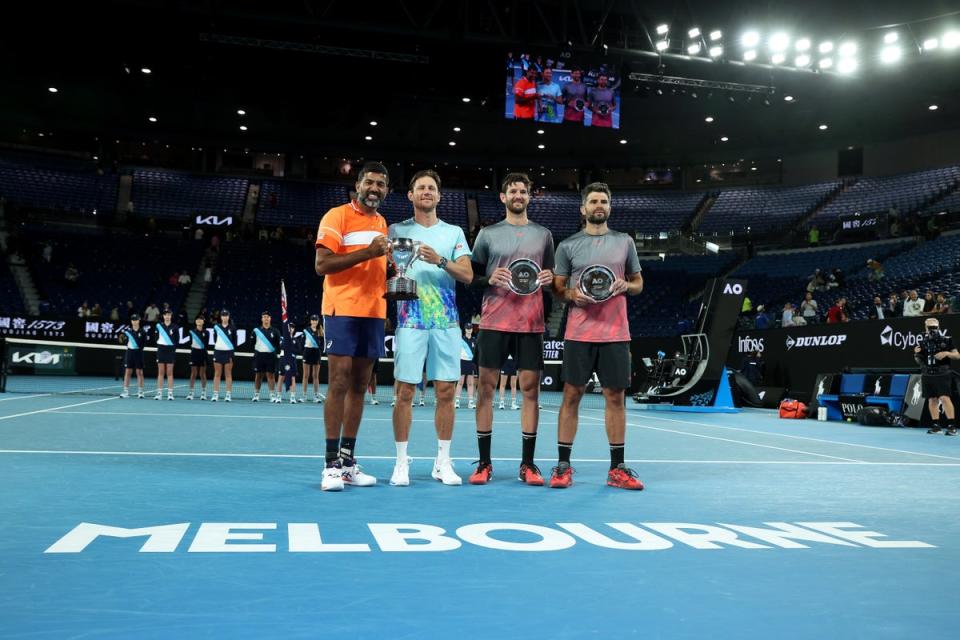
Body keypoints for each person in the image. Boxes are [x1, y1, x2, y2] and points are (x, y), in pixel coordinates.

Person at [549, 182, 644, 489]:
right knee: (571, 396)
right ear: (583, 208)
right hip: (579, 333)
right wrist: (571, 294)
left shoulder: (624, 242)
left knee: (615, 397)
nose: (598, 205)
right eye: (593, 201)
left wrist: (625, 286)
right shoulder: (568, 245)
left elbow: (638, 283)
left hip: (616, 333)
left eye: (604, 200)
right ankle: (563, 465)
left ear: (609, 207)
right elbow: (557, 288)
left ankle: (617, 468)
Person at [387, 169, 474, 487]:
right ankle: (401, 463)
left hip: (446, 322)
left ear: (438, 196)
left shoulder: (453, 233)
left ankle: (443, 462)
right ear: (410, 195)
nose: (426, 191)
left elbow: (466, 275)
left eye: (431, 188)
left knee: (446, 392)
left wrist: (439, 260)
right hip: (410, 321)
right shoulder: (395, 229)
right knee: (404, 392)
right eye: (420, 187)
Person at [469, 172, 555, 485]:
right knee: (486, 392)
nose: (518, 195)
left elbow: (550, 274)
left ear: (529, 197)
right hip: (494, 321)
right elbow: (472, 276)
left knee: (531, 392)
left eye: (523, 191)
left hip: (531, 325)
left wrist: (549, 279)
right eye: (512, 191)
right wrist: (486, 279)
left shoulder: (544, 235)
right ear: (503, 197)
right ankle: (483, 463)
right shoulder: (487, 234)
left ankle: (528, 465)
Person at [314, 161, 391, 491]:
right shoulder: (336, 216)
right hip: (342, 309)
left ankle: (347, 461)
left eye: (381, 185)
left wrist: (395, 275)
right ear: (358, 185)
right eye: (369, 182)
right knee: (340, 382)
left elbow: (378, 265)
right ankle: (330, 464)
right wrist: (367, 252)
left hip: (373, 312)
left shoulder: (382, 222)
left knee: (361, 385)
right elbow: (322, 265)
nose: (374, 188)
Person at [915, 317, 960, 436]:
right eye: (930, 327)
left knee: (945, 398)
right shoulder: (922, 342)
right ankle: (936, 425)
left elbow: (957, 355)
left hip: (943, 373)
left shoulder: (947, 340)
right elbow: (919, 360)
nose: (932, 330)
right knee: (932, 399)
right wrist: (916, 353)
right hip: (927, 374)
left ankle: (951, 426)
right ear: (925, 328)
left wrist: (946, 353)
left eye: (934, 327)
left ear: (938, 327)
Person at [252, 311, 283, 403]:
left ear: (270, 319)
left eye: (267, 317)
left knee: (271, 375)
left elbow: (279, 345)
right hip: (259, 355)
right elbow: (252, 343)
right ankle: (256, 395)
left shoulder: (276, 331)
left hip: (271, 356)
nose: (266, 318)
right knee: (258, 375)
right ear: (262, 319)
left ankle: (272, 395)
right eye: (264, 317)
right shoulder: (256, 331)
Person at [119, 314, 148, 398]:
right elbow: (124, 341)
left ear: (139, 320)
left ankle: (140, 392)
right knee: (128, 372)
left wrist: (137, 348)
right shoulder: (127, 331)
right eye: (133, 320)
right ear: (131, 321)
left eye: (136, 320)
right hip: (129, 353)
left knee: (139, 372)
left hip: (139, 353)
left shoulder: (143, 332)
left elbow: (144, 343)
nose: (134, 321)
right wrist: (122, 339)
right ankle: (125, 392)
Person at [211, 309, 237, 402]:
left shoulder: (232, 328)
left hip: (228, 353)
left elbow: (235, 341)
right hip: (218, 352)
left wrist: (229, 349)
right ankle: (215, 394)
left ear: (228, 317)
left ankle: (228, 395)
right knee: (217, 374)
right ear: (221, 317)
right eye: (223, 315)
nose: (225, 317)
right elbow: (215, 339)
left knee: (228, 374)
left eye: (226, 315)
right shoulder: (216, 327)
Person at [153, 308, 178, 400]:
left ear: (171, 316)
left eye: (169, 314)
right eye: (165, 315)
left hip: (170, 350)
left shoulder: (175, 327)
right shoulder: (158, 326)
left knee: (170, 373)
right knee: (161, 372)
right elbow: (156, 338)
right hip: (161, 349)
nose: (167, 316)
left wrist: (171, 347)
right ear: (163, 316)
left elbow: (177, 340)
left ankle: (170, 393)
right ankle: (159, 393)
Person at [301, 314, 325, 403]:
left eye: (316, 320)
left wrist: (320, 352)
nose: (314, 321)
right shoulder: (306, 330)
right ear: (310, 321)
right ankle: (304, 396)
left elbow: (323, 344)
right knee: (306, 375)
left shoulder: (321, 331)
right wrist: (304, 351)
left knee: (315, 376)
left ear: (318, 321)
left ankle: (316, 396)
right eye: (313, 320)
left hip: (316, 354)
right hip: (307, 353)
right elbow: (302, 343)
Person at [455, 323, 478, 409]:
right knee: (460, 382)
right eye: (467, 328)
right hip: (462, 362)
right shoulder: (460, 340)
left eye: (470, 328)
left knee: (470, 383)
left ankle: (470, 402)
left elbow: (476, 353)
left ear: (472, 329)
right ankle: (457, 401)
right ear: (465, 329)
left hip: (471, 363)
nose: (469, 330)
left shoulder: (474, 340)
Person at [186, 314, 209, 401]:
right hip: (194, 353)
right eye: (198, 319)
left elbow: (206, 345)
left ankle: (203, 393)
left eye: (201, 319)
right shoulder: (191, 332)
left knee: (202, 374)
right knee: (193, 374)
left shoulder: (206, 332)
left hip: (203, 353)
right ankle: (191, 393)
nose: (199, 321)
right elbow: (189, 343)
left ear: (203, 322)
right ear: (195, 321)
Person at [278, 320, 301, 403]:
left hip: (292, 360)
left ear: (293, 329)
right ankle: (279, 397)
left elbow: (298, 350)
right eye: (289, 327)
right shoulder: (282, 338)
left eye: (292, 327)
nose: (291, 329)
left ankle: (292, 397)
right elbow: (282, 346)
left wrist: (290, 349)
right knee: (281, 377)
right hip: (283, 358)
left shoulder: (296, 340)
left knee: (293, 378)